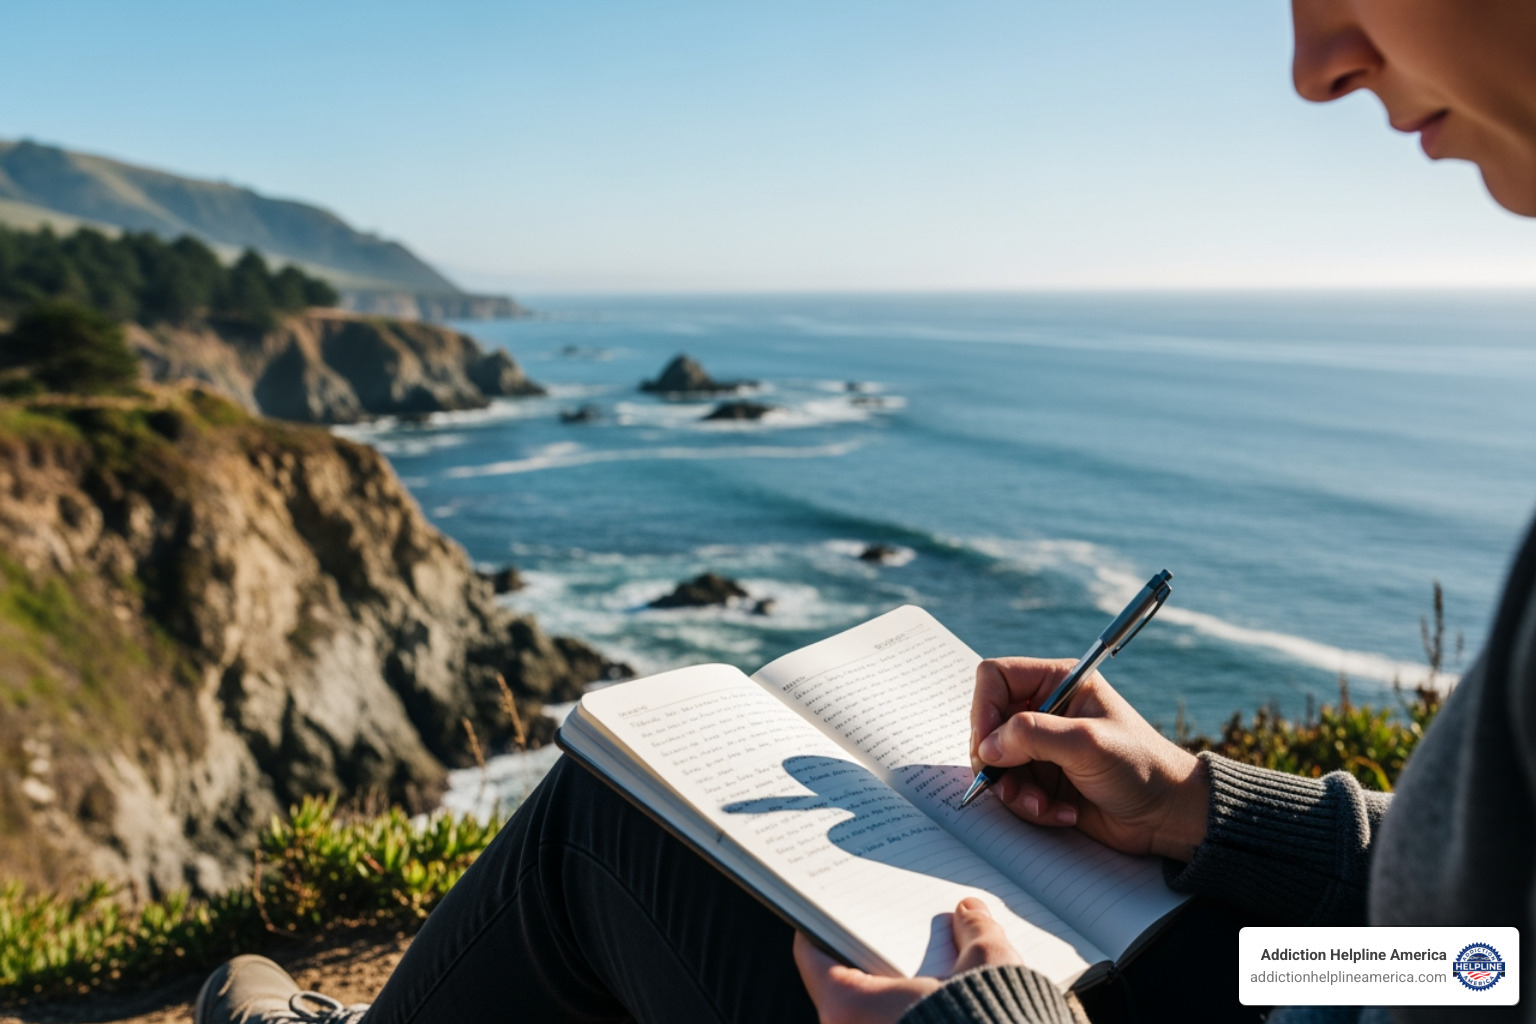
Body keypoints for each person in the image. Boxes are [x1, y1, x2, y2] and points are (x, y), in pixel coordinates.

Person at [195, 2, 1536, 1022]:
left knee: (615, 829)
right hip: (1344, 978)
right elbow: (1491, 954)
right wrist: (1203, 812)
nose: (1314, 64)